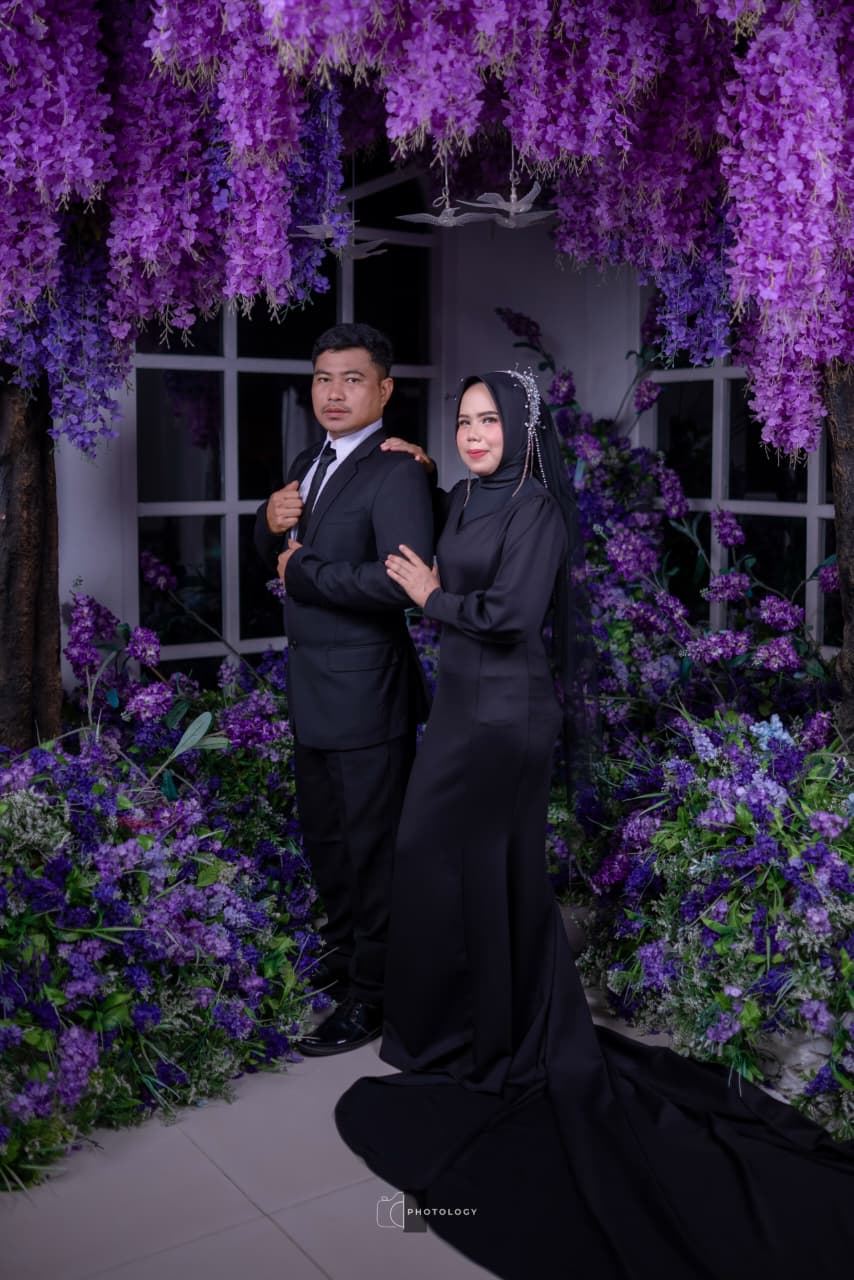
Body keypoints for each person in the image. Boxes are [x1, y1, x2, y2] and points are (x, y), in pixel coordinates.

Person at [335, 370, 854, 1279]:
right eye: (463, 421)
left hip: (506, 720)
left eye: (489, 420)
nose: (474, 433)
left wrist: (428, 598)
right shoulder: (465, 496)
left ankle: (501, 1037)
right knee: (434, 863)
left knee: (485, 871)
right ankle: (455, 1030)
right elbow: (445, 550)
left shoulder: (535, 508)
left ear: (521, 427)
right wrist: (415, 468)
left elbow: (509, 617)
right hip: (457, 713)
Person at [254, 322, 433, 1055]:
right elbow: (282, 551)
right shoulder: (309, 461)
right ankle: (343, 961)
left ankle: (375, 996)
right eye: (324, 378)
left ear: (383, 390)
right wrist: (265, 520)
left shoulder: (398, 471)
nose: (334, 392)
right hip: (313, 691)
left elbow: (400, 582)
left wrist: (303, 572)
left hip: (368, 697)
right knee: (328, 842)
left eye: (352, 379)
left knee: (372, 852)